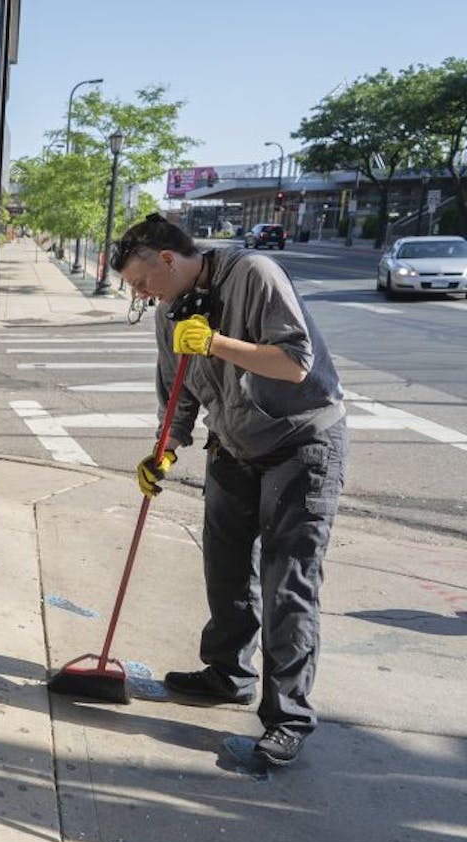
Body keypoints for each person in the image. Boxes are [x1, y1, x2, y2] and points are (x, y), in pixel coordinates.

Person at [109, 213, 348, 768]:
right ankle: (227, 674)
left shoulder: (256, 274)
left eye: (143, 283)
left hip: (301, 444)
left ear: (168, 260)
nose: (142, 296)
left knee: (288, 581)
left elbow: (295, 363)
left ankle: (287, 717)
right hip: (234, 445)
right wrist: (165, 448)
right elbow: (178, 392)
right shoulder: (169, 310)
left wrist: (217, 342)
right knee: (225, 567)